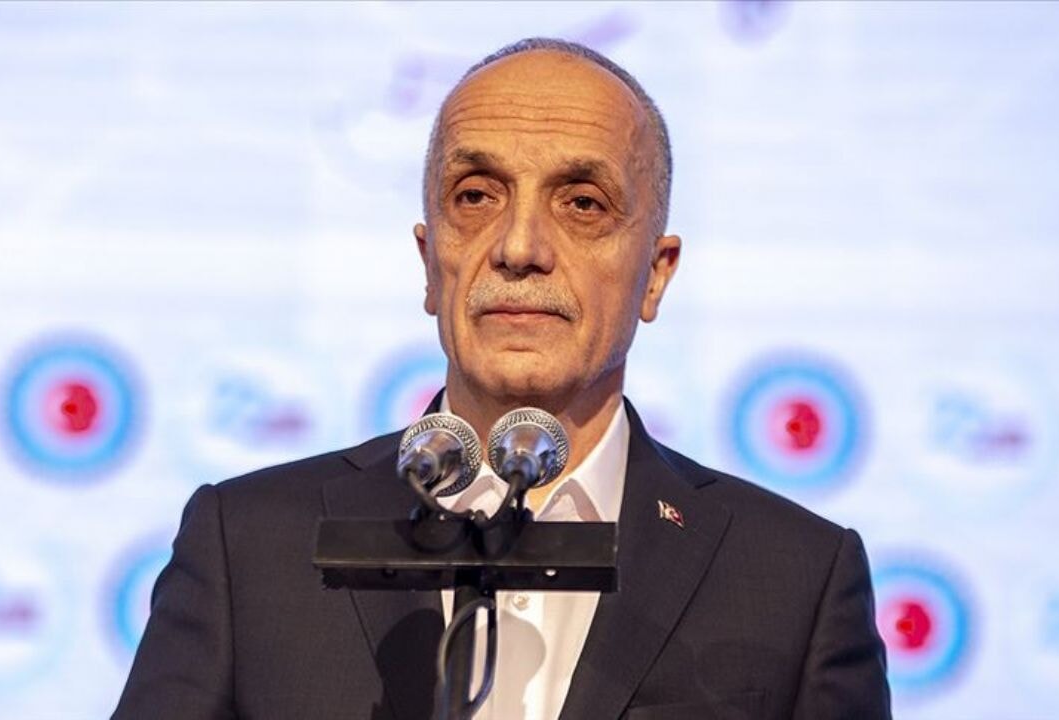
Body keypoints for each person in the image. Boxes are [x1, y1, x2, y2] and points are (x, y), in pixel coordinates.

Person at [113, 37, 890, 719]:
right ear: (429, 262)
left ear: (656, 275)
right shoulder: (250, 544)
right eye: (477, 197)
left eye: (582, 203)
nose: (519, 247)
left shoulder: (795, 580)